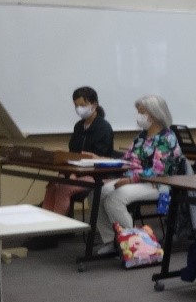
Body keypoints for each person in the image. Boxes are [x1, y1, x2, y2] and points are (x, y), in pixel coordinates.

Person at [94, 94, 183, 252]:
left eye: (142, 112)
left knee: (115, 199)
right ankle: (112, 241)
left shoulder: (167, 138)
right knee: (98, 192)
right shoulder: (141, 136)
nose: (139, 116)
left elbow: (158, 170)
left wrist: (130, 180)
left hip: (158, 184)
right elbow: (127, 159)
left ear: (155, 114)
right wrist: (104, 161)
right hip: (136, 181)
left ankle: (136, 244)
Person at [41, 85, 115, 214]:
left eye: (82, 105)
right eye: (76, 105)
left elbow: (96, 158)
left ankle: (58, 223)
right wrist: (66, 171)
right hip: (76, 172)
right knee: (53, 185)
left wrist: (75, 174)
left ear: (94, 104)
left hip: (96, 175)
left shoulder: (104, 128)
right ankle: (45, 222)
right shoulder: (79, 126)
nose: (79, 109)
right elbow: (73, 152)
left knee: (64, 188)